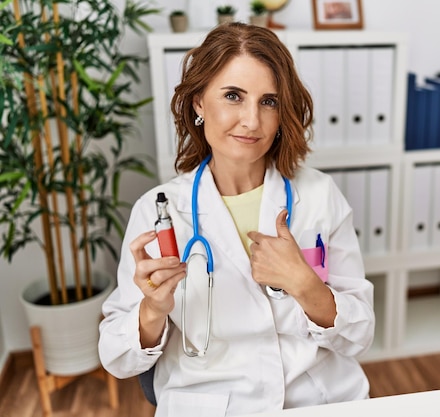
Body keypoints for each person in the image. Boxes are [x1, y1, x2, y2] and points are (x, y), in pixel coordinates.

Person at [98, 22, 375, 417]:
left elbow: (360, 335)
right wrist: (152, 311)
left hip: (317, 398)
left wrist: (303, 283)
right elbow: (116, 357)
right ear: (198, 103)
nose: (251, 121)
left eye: (269, 101)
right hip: (208, 404)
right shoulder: (159, 212)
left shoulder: (318, 195)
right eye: (233, 96)